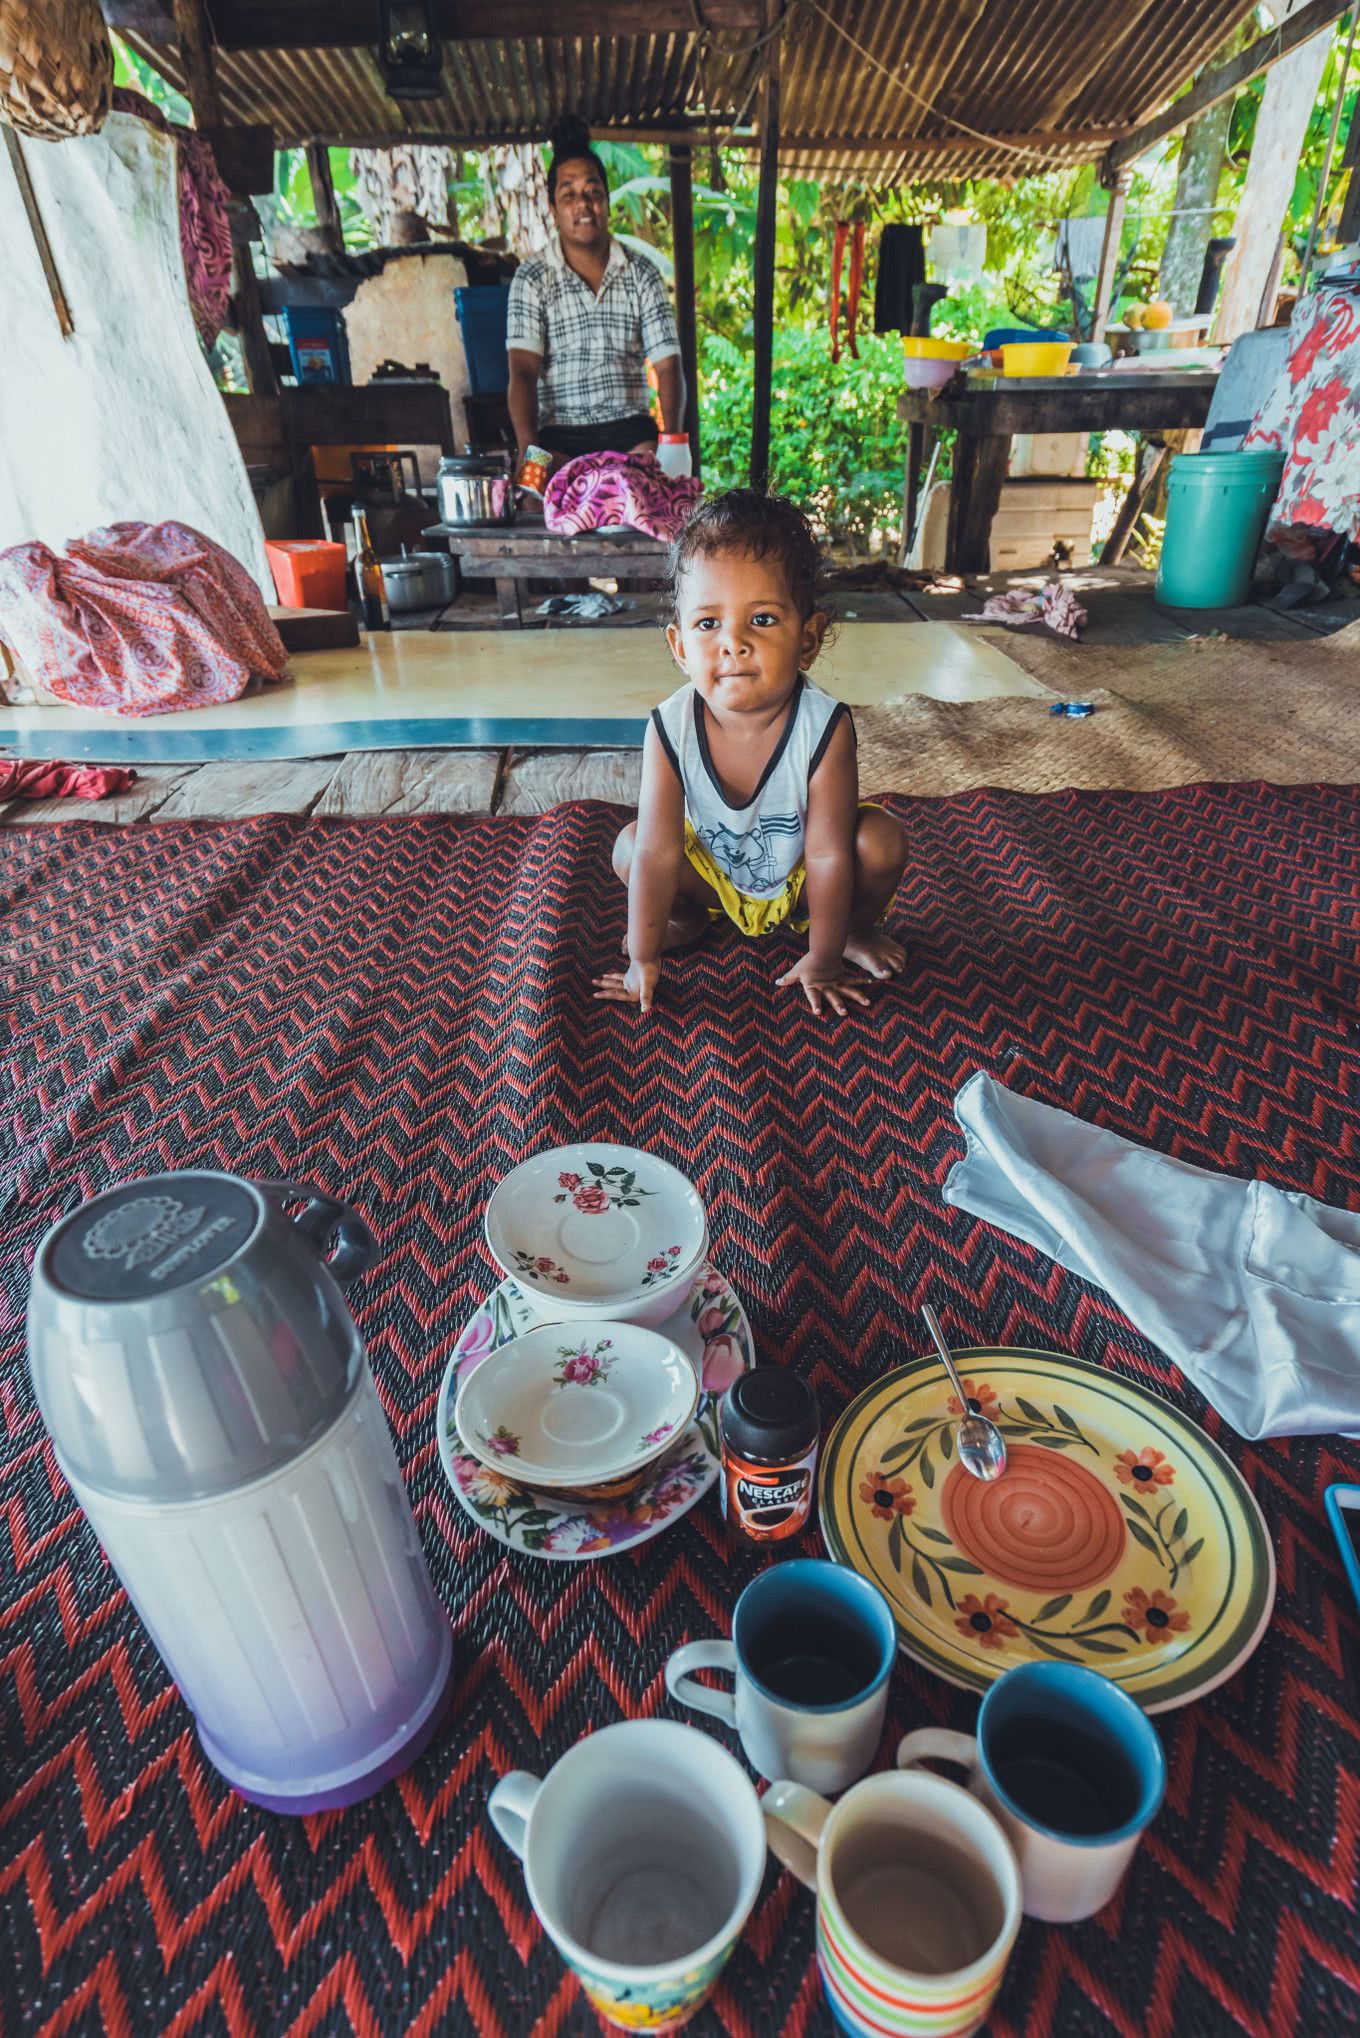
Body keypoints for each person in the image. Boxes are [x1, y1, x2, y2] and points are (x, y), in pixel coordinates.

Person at [593, 491, 909, 1019]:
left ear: (808, 639)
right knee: (630, 845)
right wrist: (642, 957)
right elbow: (657, 852)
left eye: (761, 619)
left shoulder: (825, 727)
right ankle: (686, 920)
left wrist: (825, 959)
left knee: (880, 840)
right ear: (679, 647)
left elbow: (828, 855)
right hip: (713, 877)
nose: (733, 642)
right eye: (707, 623)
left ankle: (851, 931)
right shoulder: (669, 727)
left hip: (802, 880)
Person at [506, 115, 687, 464]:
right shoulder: (531, 278)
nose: (583, 204)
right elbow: (523, 373)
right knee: (539, 494)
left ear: (605, 198)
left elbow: (667, 365)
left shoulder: (642, 273)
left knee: (651, 489)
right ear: (553, 208)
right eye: (569, 194)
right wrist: (530, 457)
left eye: (593, 192)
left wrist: (675, 443)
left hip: (631, 432)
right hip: (559, 435)